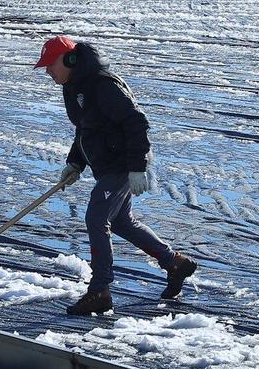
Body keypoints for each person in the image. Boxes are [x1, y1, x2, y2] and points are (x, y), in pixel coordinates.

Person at [38, 36, 196, 317]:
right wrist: (75, 163)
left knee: (96, 217)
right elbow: (86, 129)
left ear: (70, 59)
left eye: (51, 65)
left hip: (124, 162)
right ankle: (175, 263)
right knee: (121, 221)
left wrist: (137, 167)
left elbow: (136, 122)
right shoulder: (74, 87)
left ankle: (100, 290)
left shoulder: (103, 85)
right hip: (108, 164)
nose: (48, 72)